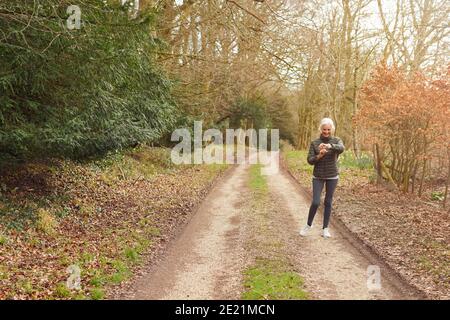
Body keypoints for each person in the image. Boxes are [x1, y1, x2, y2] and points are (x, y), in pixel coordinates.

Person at [299, 118, 344, 238]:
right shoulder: (315, 142)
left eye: (329, 130)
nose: (326, 132)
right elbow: (310, 160)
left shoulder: (336, 140)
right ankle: (308, 225)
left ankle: (325, 228)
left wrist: (329, 146)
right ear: (321, 129)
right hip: (318, 175)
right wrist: (320, 155)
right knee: (316, 202)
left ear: (332, 129)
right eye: (324, 129)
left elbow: (342, 148)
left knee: (328, 202)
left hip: (332, 175)